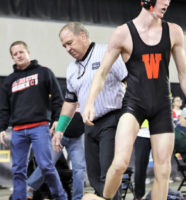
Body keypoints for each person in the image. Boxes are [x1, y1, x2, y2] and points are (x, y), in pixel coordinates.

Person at [82, 0, 186, 199]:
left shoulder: (174, 31)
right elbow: (102, 72)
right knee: (120, 162)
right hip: (134, 106)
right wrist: (89, 102)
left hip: (162, 107)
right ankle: (104, 198)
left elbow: (183, 72)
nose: (167, 3)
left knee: (163, 171)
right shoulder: (123, 33)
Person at [52, 22, 127, 200]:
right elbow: (70, 102)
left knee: (108, 174)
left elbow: (128, 81)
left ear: (83, 36)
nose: (67, 48)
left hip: (112, 120)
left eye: (70, 43)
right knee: (94, 178)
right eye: (64, 46)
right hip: (90, 126)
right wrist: (60, 129)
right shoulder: (71, 69)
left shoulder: (107, 53)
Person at [0, 41, 67, 200]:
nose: (19, 56)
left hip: (40, 127)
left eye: (21, 52)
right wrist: (1, 128)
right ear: (12, 58)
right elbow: (3, 107)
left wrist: (57, 119)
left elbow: (58, 98)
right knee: (18, 170)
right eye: (15, 54)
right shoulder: (9, 81)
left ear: (28, 52)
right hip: (18, 131)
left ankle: (60, 197)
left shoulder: (44, 72)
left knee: (46, 166)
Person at [27, 106, 86, 200]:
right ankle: (28, 188)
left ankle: (77, 198)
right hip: (58, 133)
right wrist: (53, 121)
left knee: (79, 169)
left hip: (77, 135)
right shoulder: (61, 92)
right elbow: (54, 104)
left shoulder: (86, 94)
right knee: (46, 164)